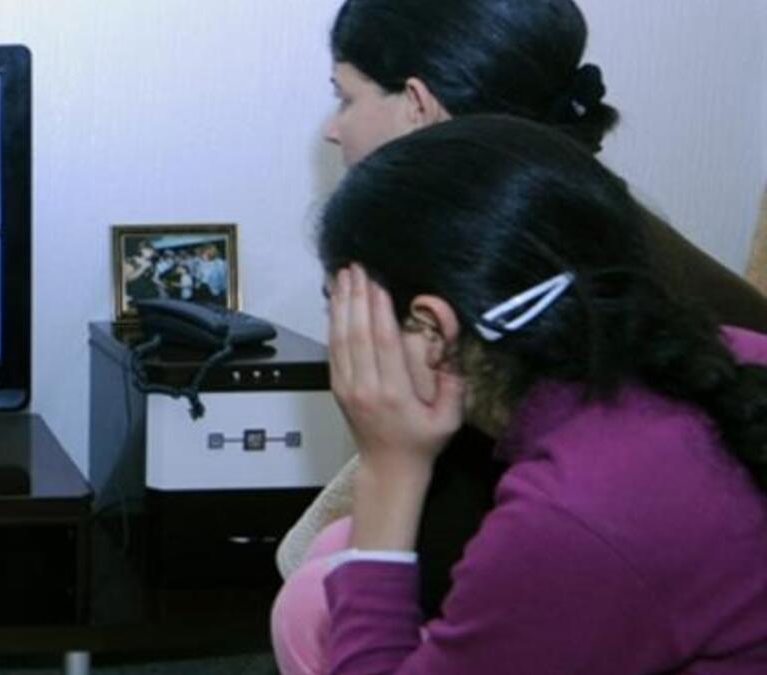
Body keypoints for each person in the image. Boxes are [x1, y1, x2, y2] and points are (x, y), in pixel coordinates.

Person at [275, 0, 767, 614]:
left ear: (419, 106)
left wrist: (386, 464)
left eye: (346, 98)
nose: (333, 128)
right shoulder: (573, 215)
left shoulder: (508, 314)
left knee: (311, 595)